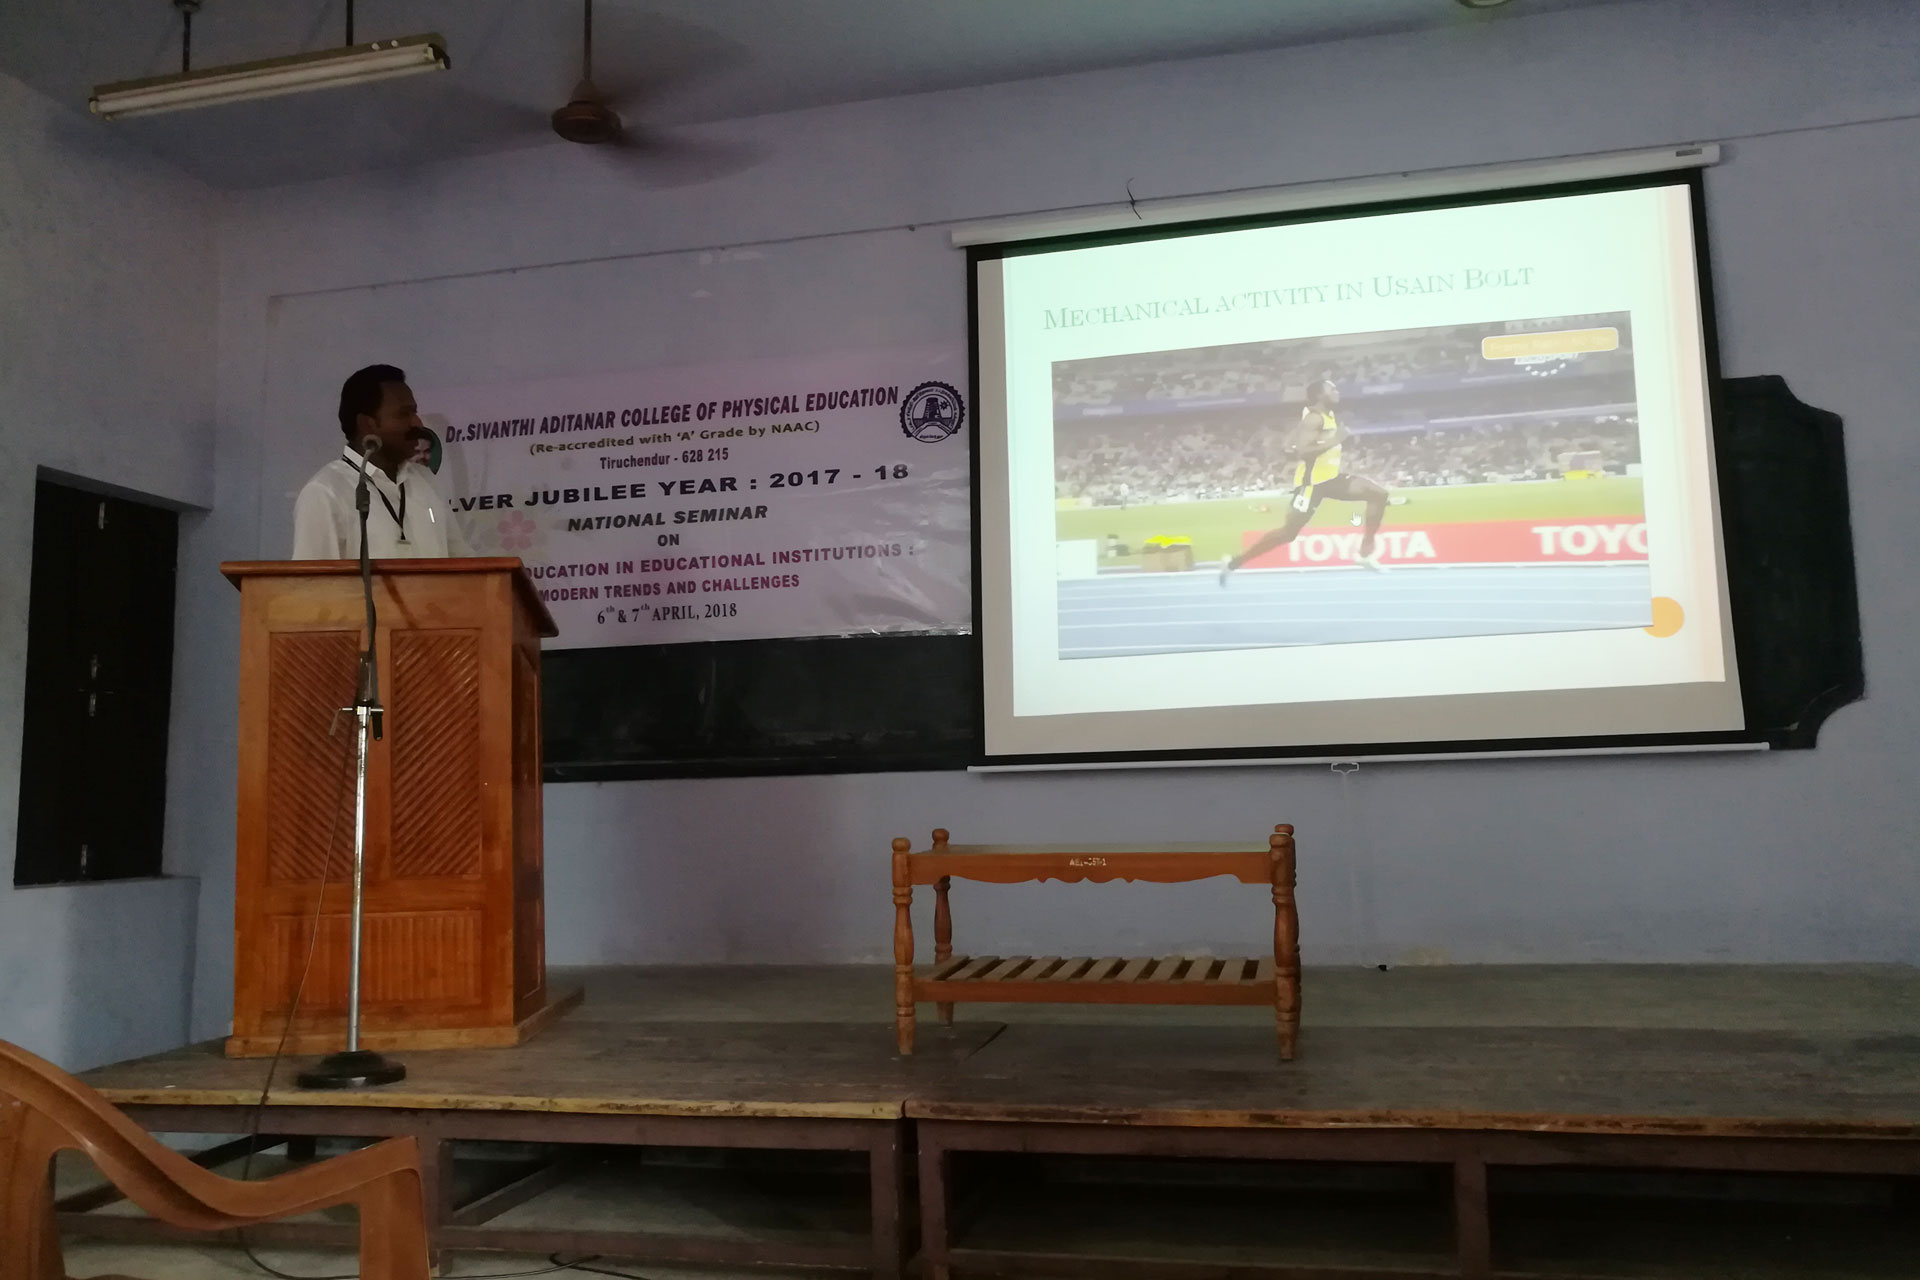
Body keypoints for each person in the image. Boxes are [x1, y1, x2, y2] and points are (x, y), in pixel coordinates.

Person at [1217, 378, 1392, 583]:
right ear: (1319, 395)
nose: (1337, 391)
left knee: (1378, 494)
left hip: (1330, 479)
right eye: (1332, 389)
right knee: (1288, 533)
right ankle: (1233, 563)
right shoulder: (1314, 419)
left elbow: (1292, 446)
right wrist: (1336, 440)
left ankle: (1365, 554)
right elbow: (1304, 452)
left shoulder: (1327, 416)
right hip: (1311, 485)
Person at [292, 365, 472, 559]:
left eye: (414, 412)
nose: (417, 423)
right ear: (367, 424)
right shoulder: (326, 493)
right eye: (404, 414)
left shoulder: (425, 480)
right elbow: (314, 577)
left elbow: (462, 562)